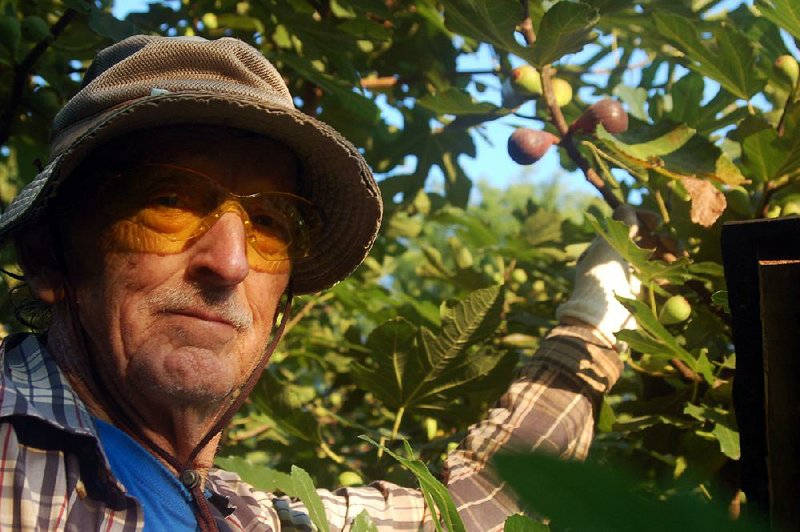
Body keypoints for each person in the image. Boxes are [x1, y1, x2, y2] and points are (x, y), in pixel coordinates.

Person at [0, 35, 639, 531]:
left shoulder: (258, 519)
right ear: (47, 259)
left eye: (272, 223)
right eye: (168, 203)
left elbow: (475, 506)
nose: (230, 263)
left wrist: (591, 323)